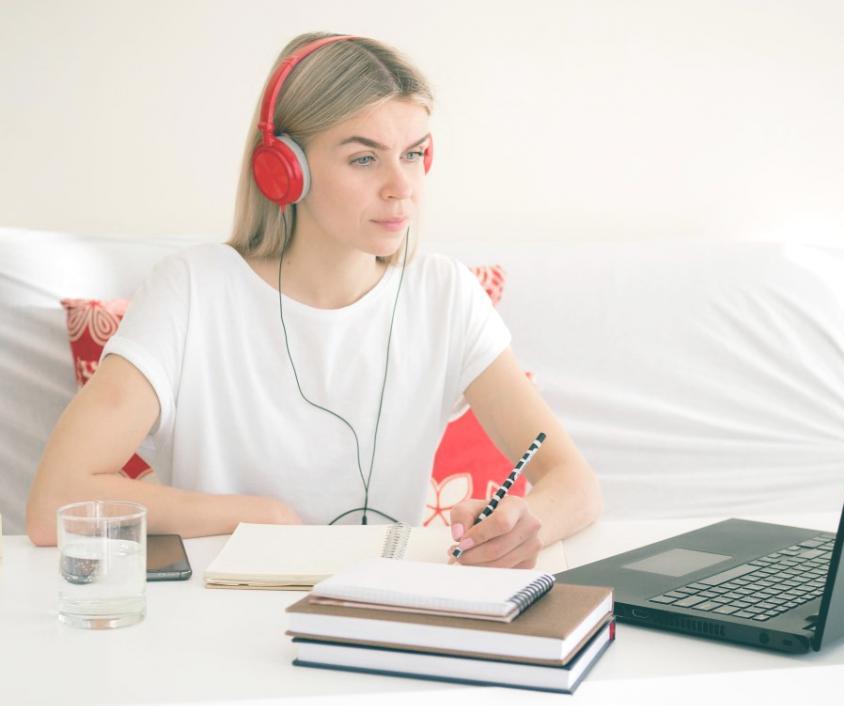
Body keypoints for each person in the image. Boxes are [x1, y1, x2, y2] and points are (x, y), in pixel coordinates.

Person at [26, 32, 603, 568]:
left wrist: (525, 526)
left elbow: (573, 482)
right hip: (212, 619)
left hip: (379, 616)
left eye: (412, 154)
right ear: (284, 171)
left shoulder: (443, 294)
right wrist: (257, 517)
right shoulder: (192, 291)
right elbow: (56, 500)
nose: (400, 187)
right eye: (363, 157)